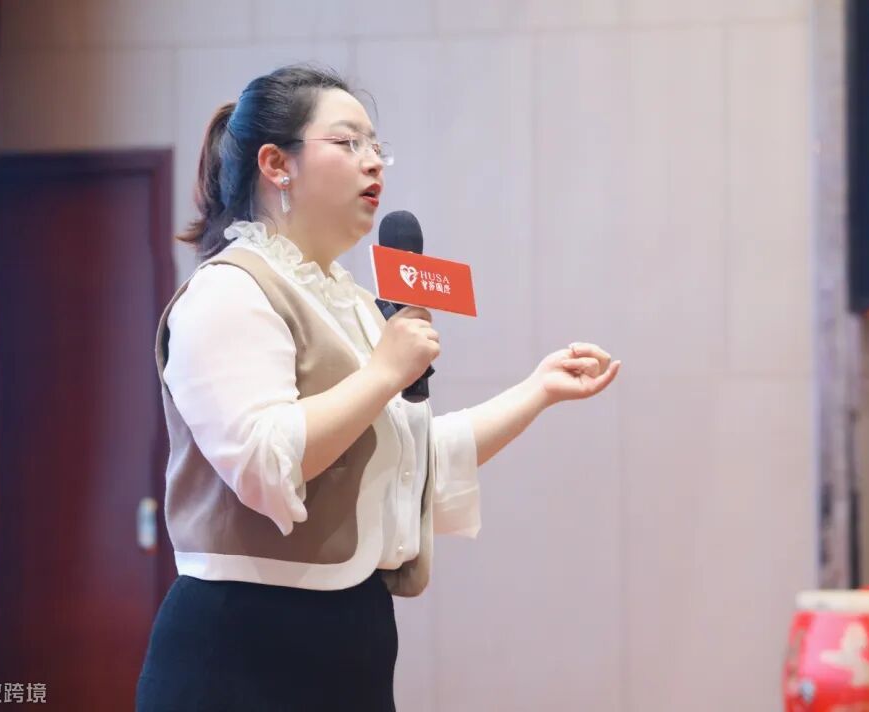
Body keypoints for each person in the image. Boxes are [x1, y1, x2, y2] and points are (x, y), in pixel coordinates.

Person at [135, 64, 621, 712]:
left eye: (376, 146)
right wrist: (384, 373)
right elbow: (263, 462)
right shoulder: (228, 291)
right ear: (276, 164)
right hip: (243, 644)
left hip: (351, 635)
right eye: (347, 142)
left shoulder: (352, 303)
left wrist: (538, 389)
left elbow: (407, 460)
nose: (373, 162)